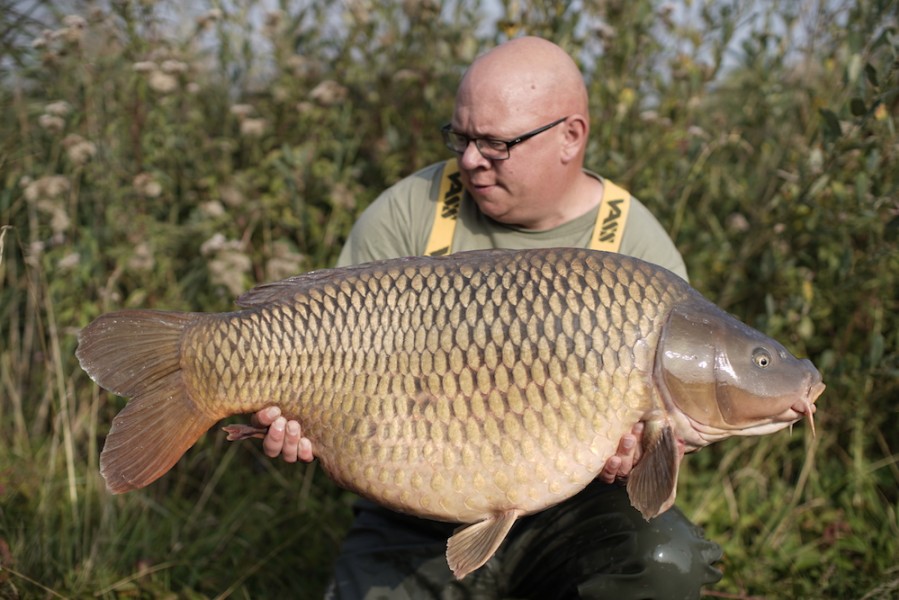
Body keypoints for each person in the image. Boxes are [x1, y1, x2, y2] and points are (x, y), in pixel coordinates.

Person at [252, 36, 722, 599]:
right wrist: (289, 417)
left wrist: (644, 453)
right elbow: (321, 351)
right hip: (414, 510)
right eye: (461, 137)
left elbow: (667, 432)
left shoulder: (636, 246)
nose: (470, 159)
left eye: (496, 144)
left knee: (666, 563)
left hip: (574, 512)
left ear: (570, 137)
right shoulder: (410, 211)